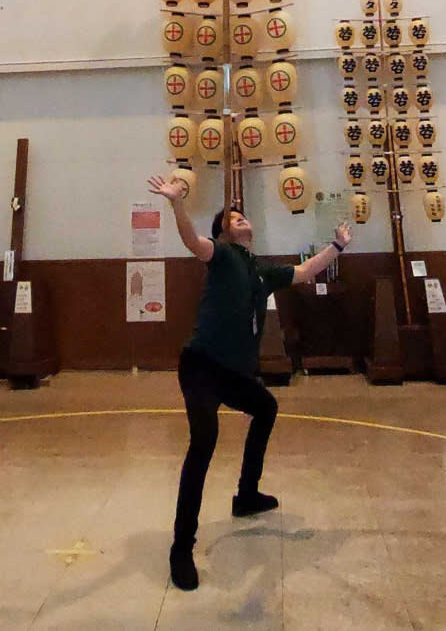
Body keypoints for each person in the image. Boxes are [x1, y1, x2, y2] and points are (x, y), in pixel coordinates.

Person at [147, 173, 353, 591]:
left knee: (266, 407)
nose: (240, 219)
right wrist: (176, 203)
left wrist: (337, 247)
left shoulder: (261, 270)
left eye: (243, 216)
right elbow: (191, 242)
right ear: (223, 231)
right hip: (202, 365)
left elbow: (306, 271)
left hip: (234, 373)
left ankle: (246, 496)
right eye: (232, 217)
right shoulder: (220, 255)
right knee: (203, 442)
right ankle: (181, 547)